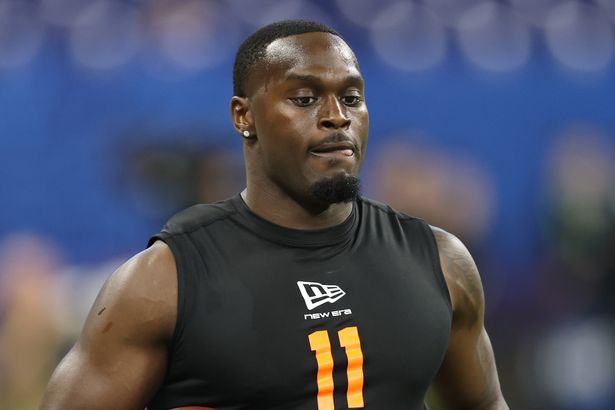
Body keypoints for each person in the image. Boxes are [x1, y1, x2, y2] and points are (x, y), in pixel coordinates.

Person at [40, 20, 509, 410]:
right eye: (304, 98)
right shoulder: (166, 280)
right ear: (243, 116)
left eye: (351, 98)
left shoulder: (440, 261)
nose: (337, 116)